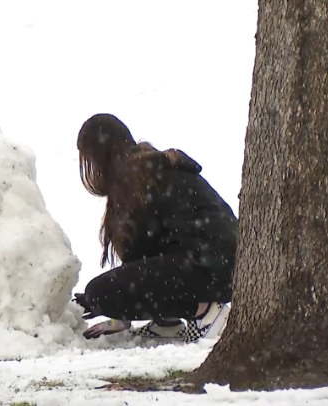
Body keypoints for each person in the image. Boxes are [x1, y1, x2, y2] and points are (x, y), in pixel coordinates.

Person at [72, 113, 237, 344]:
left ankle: (206, 312)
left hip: (210, 268)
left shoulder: (135, 178)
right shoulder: (150, 168)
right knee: (107, 289)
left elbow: (137, 250)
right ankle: (167, 323)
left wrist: (107, 302)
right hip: (229, 268)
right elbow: (150, 250)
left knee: (100, 291)